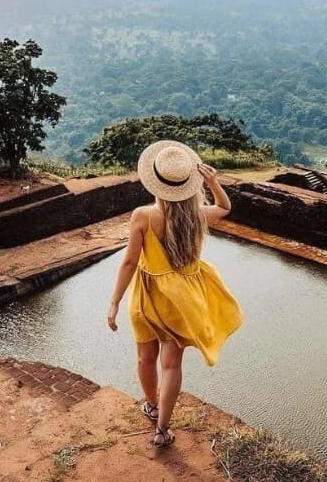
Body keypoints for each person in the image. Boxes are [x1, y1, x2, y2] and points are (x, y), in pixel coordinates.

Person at [106, 140, 243, 446]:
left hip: (146, 297)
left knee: (145, 357)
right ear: (189, 184)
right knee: (171, 365)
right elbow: (224, 207)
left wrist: (114, 301)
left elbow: (129, 262)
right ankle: (162, 430)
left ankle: (151, 405)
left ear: (156, 181)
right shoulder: (195, 215)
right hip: (180, 302)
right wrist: (213, 182)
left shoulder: (143, 215)